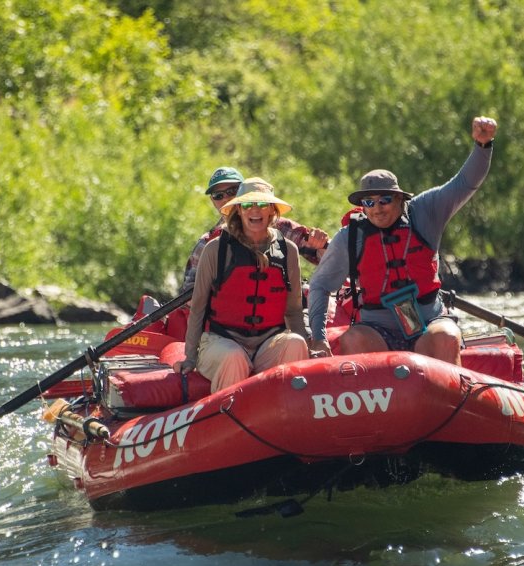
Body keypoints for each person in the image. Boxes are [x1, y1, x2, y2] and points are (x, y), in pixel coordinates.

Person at [307, 115, 498, 365]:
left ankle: (447, 397)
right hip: (377, 327)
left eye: (385, 199)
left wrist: (482, 146)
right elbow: (320, 286)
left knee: (446, 337)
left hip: (428, 321)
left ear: (399, 199)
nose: (377, 208)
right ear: (362, 207)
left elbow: (464, 183)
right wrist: (319, 338)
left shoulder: (426, 212)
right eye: (369, 202)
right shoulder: (350, 237)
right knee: (353, 339)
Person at [175, 178, 310, 392]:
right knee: (234, 356)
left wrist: (309, 350)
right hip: (221, 340)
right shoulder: (215, 250)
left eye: (262, 204)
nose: (254, 211)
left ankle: (289, 415)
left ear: (272, 211)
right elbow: (198, 308)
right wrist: (190, 357)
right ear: (238, 210)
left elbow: (293, 312)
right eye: (247, 205)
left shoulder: (289, 251)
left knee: (295, 343)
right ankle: (227, 419)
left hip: (268, 342)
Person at [183, 167, 330, 290]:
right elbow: (189, 291)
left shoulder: (281, 228)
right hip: (227, 319)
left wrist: (321, 243)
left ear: (245, 193)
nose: (226, 198)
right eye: (218, 195)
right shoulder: (207, 242)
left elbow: (325, 257)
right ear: (213, 201)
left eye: (232, 191)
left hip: (280, 314)